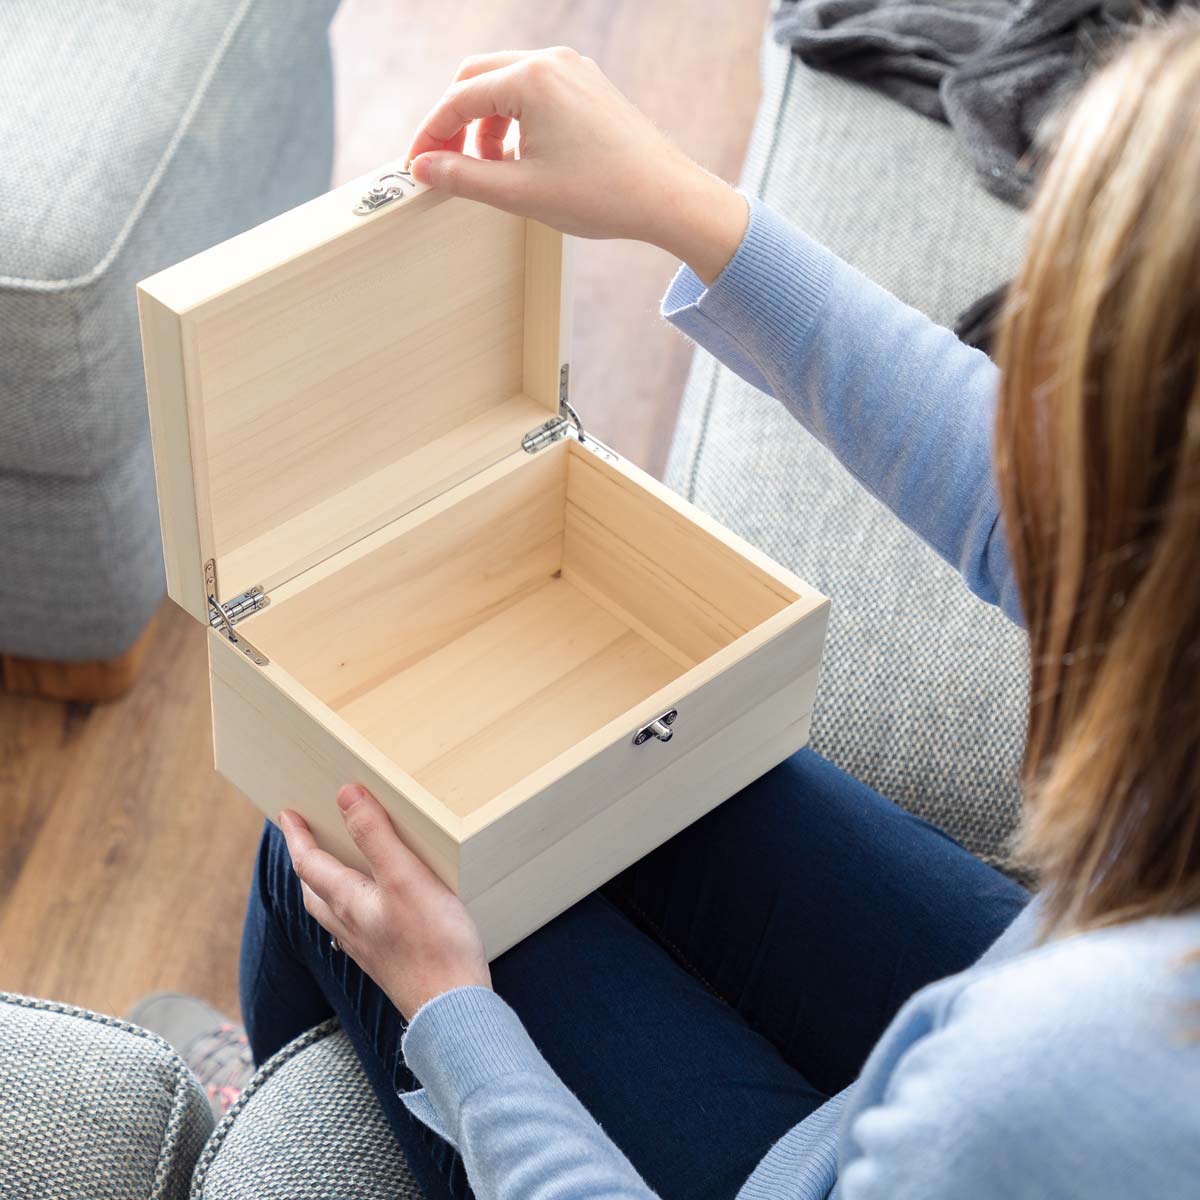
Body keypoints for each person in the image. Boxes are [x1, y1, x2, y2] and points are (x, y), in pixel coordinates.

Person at [140, 16, 1200, 1199]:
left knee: (327, 850)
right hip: (1022, 989)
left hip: (901, 1139)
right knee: (608, 788)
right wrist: (683, 206)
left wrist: (454, 1021)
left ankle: (265, 1116)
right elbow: (1081, 522)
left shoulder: (1034, 1099)